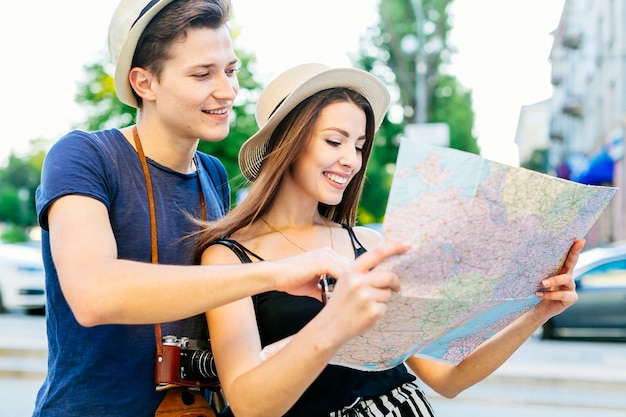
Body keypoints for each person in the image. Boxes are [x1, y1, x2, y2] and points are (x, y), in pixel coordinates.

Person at [32, 2, 408, 416]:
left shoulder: (211, 174)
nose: (228, 91)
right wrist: (276, 273)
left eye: (230, 70)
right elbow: (93, 294)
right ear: (144, 82)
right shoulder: (84, 155)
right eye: (202, 74)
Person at [196, 63, 584, 417]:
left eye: (360, 145)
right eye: (335, 141)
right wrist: (336, 323)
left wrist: (538, 312)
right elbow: (247, 405)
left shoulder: (369, 244)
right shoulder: (228, 258)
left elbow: (448, 378)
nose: (352, 159)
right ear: (287, 142)